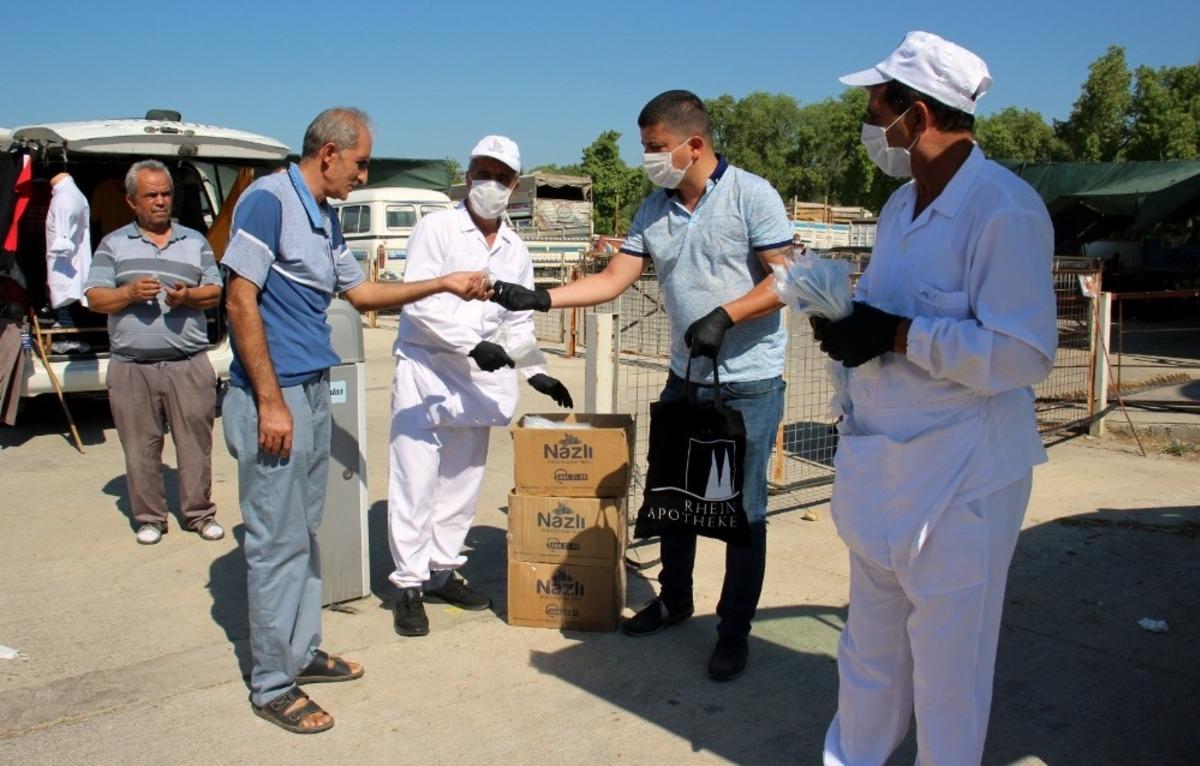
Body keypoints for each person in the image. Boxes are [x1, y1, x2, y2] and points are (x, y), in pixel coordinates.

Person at [489, 90, 793, 681]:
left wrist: (725, 315)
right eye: (646, 147)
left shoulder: (752, 195)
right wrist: (542, 297)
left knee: (741, 514)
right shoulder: (652, 208)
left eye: (656, 147)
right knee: (676, 503)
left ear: (694, 144)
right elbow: (614, 278)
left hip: (748, 384)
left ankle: (733, 632)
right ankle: (675, 600)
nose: (648, 158)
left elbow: (788, 281)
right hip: (685, 382)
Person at [816, 32, 1058, 765]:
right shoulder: (898, 207)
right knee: (868, 654)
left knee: (950, 673)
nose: (869, 126)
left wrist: (896, 336)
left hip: (965, 477)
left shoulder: (1003, 210)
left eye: (875, 109)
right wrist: (853, 326)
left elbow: (1021, 354)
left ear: (915, 117)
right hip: (883, 463)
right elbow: (892, 316)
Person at [220, 107, 490, 734]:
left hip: (311, 390)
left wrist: (442, 283)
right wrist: (268, 400)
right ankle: (271, 684)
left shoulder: (327, 218)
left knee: (304, 532)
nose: (364, 175)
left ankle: (300, 650)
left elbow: (359, 295)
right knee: (275, 542)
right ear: (328, 155)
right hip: (276, 395)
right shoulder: (268, 201)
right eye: (362, 162)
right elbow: (239, 298)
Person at [386, 135, 574, 637]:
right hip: (426, 369)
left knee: (462, 481)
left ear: (515, 185)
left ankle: (442, 570)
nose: (490, 184)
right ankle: (408, 584)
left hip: (477, 378)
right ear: (468, 176)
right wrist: (470, 343)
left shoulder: (514, 248)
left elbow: (515, 322)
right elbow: (419, 302)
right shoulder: (437, 227)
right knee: (415, 480)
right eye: (482, 173)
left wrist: (535, 369)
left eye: (501, 176)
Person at [84, 160, 224, 545]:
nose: (161, 201)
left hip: (188, 364)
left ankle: (199, 514)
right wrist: (128, 294)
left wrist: (188, 297)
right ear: (131, 201)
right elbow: (95, 297)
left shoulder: (195, 241)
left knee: (196, 444)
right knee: (140, 447)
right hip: (132, 367)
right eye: (151, 195)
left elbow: (215, 291)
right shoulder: (113, 244)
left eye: (166, 193)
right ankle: (150, 518)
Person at [45, 172, 92, 353]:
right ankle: (72, 334)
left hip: (64, 260)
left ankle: (68, 337)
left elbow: (62, 238)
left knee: (64, 295)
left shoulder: (63, 198)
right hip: (73, 259)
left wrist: (60, 248)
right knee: (71, 293)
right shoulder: (77, 195)